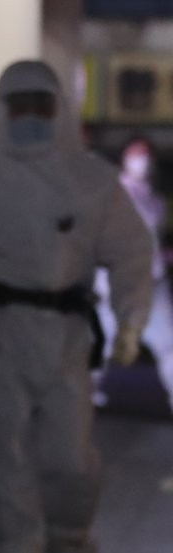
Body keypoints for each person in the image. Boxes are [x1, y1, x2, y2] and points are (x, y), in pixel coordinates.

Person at [0, 60, 154, 553]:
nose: (30, 116)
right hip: (2, 330)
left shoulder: (91, 182)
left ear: (58, 110)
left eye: (40, 105)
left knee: (69, 458)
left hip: (68, 335)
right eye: (20, 106)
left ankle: (70, 543)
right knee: (4, 455)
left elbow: (130, 252)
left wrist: (131, 319)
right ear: (3, 111)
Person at [94, 137, 173, 411]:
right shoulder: (111, 194)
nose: (141, 160)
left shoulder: (155, 201)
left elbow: (150, 242)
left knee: (168, 345)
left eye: (145, 154)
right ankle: (77, 402)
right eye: (136, 153)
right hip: (117, 286)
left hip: (151, 285)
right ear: (124, 158)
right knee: (97, 347)